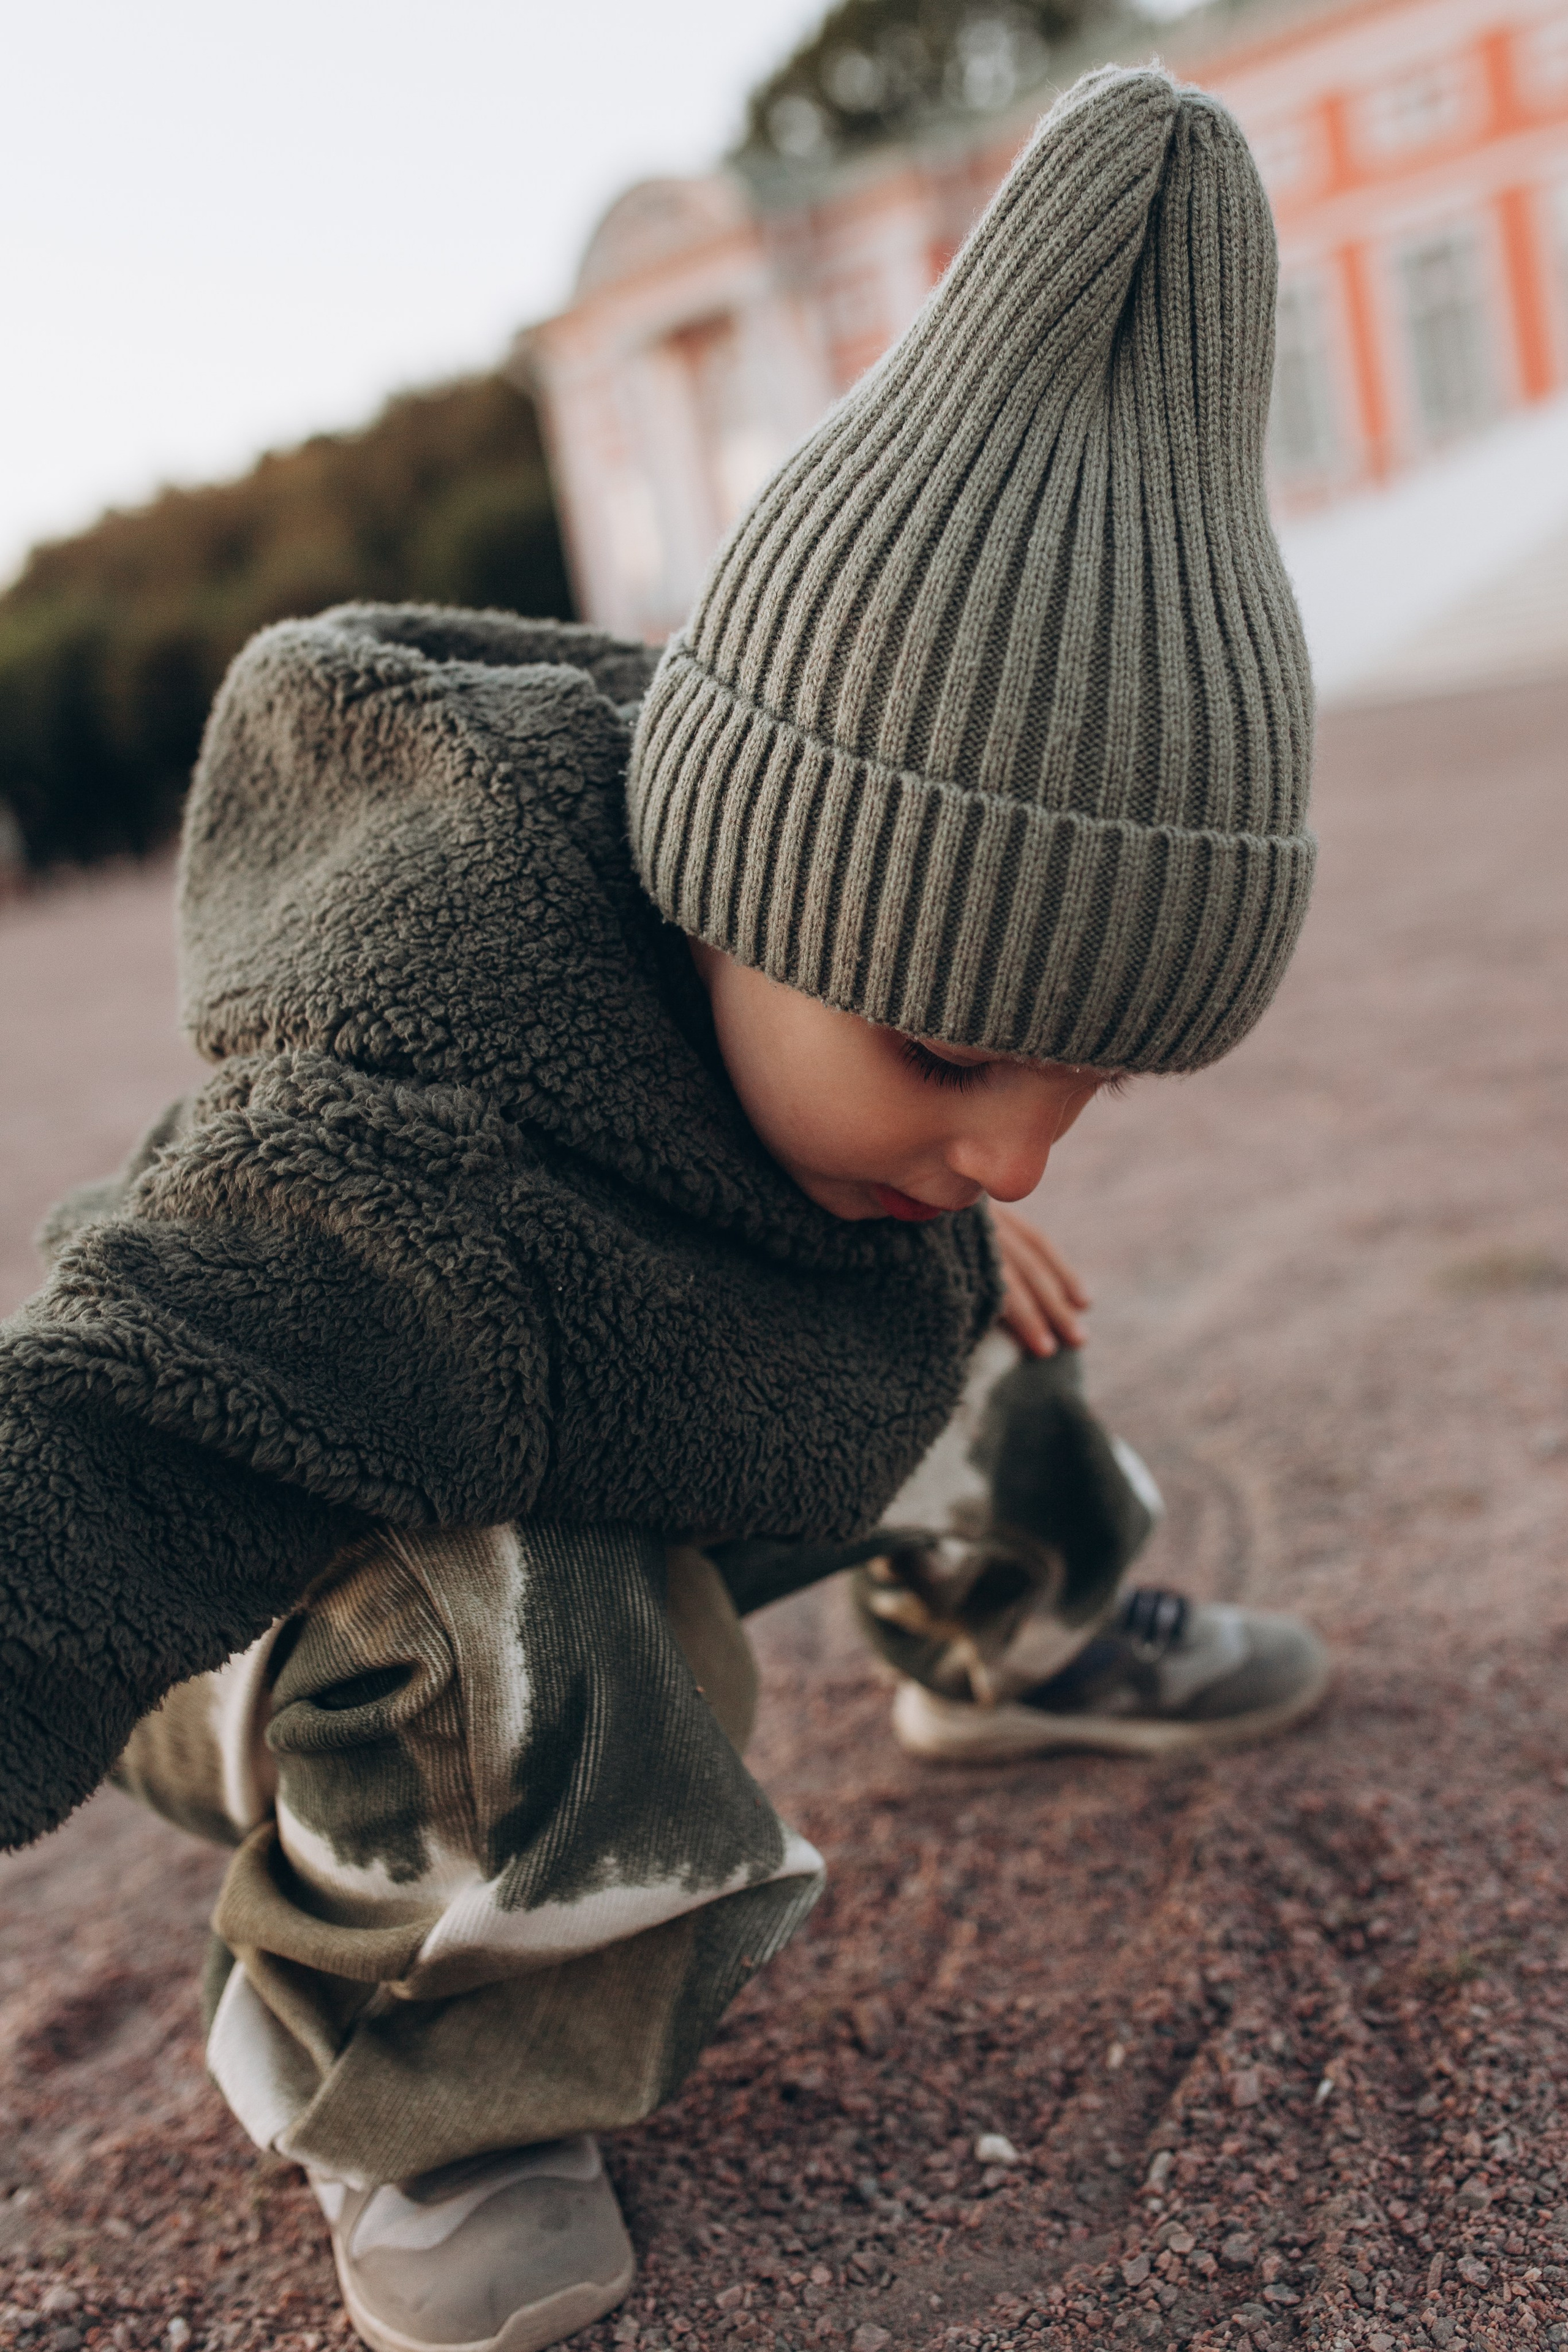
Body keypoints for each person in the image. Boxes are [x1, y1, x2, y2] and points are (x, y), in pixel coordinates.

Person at [0, 64, 1327, 2352]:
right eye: (949, 1055)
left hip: (625, 1420)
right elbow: (113, 1432)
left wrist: (944, 1210)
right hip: (251, 1585)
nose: (1021, 1139)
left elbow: (936, 1170)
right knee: (539, 1612)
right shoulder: (398, 1167)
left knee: (961, 1288)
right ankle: (431, 2087)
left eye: (1085, 1086)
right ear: (731, 880)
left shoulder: (826, 1096)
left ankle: (1018, 1624)